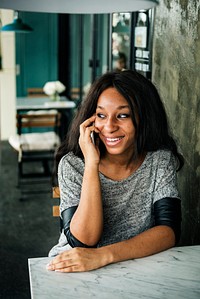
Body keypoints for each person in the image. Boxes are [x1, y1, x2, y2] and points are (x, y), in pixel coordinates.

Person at [47, 70, 183, 273]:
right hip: (75, 268)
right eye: (101, 115)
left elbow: (168, 231)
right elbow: (83, 241)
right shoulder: (73, 164)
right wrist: (91, 164)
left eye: (122, 115)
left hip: (137, 265)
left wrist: (105, 255)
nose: (109, 126)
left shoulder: (159, 160)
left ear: (144, 119)